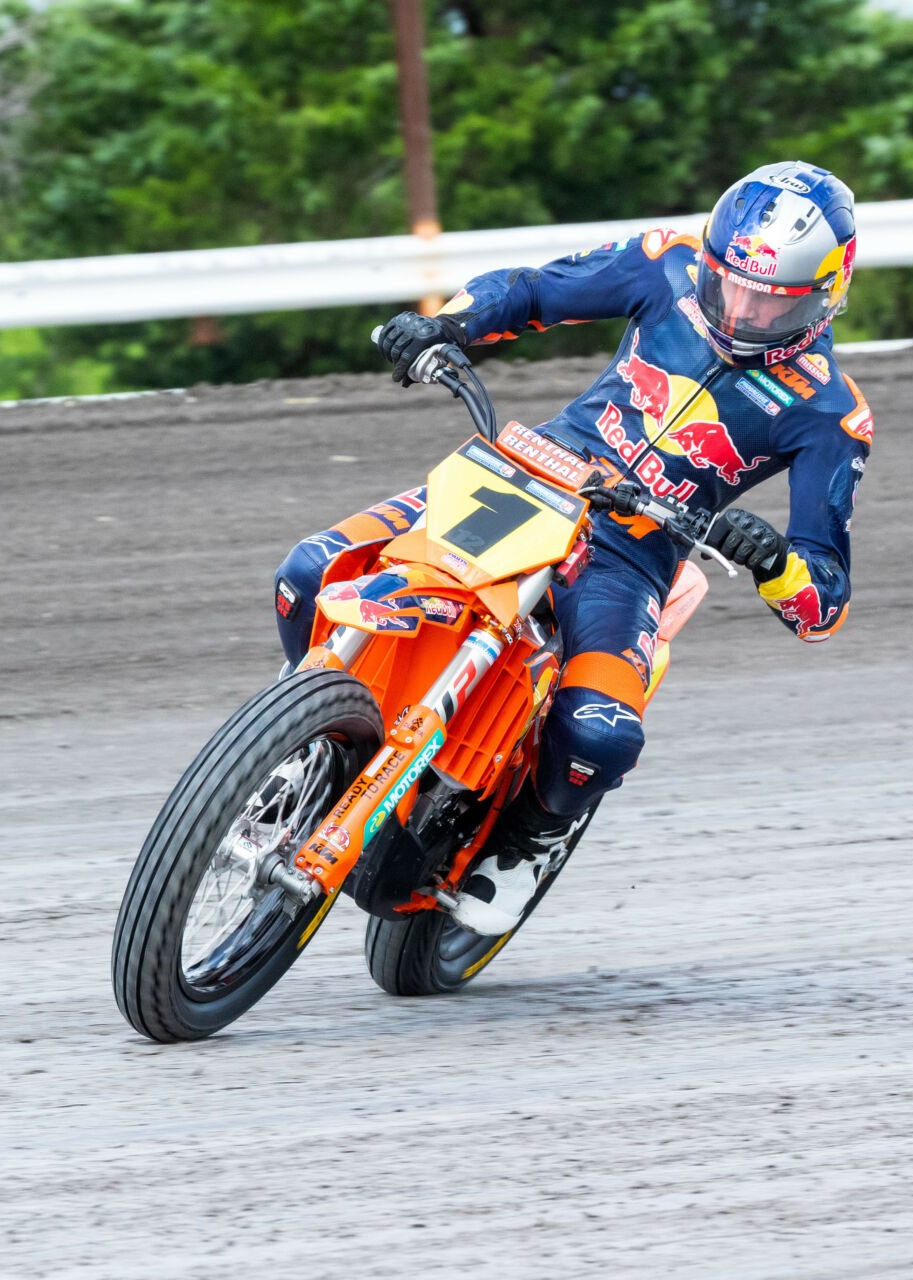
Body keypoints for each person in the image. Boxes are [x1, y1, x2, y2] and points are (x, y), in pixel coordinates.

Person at [274, 161, 875, 934]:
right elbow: (531, 290)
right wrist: (446, 325)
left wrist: (771, 560)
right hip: (521, 476)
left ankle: (531, 839)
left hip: (631, 555)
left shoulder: (832, 413)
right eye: (732, 284)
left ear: (827, 293)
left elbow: (822, 603)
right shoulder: (667, 263)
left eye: (772, 300)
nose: (744, 307)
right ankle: (297, 735)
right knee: (310, 570)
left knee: (600, 734)